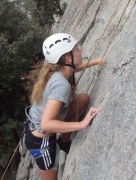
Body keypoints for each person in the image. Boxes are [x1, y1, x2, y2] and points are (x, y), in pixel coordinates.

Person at [24, 33, 105, 180]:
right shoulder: (61, 85)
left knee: (83, 99)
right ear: (68, 58)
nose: (80, 50)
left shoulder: (59, 69)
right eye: (76, 49)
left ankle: (63, 142)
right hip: (41, 140)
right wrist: (82, 124)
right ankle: (57, 145)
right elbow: (46, 124)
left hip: (39, 125)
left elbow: (75, 67)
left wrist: (95, 61)